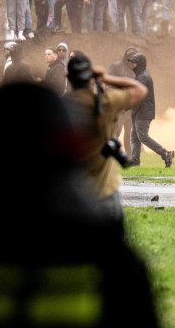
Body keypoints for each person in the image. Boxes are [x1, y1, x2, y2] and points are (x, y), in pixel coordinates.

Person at [63, 52, 148, 218]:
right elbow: (140, 90)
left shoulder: (61, 106)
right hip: (104, 191)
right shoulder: (106, 102)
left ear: (68, 77)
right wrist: (105, 78)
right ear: (90, 77)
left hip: (73, 192)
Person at [127, 53, 174, 168]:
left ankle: (165, 153)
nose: (131, 64)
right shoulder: (140, 76)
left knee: (142, 136)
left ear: (139, 64)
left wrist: (128, 107)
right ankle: (135, 160)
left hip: (143, 113)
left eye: (134, 62)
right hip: (140, 112)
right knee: (134, 137)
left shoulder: (142, 77)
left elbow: (139, 96)